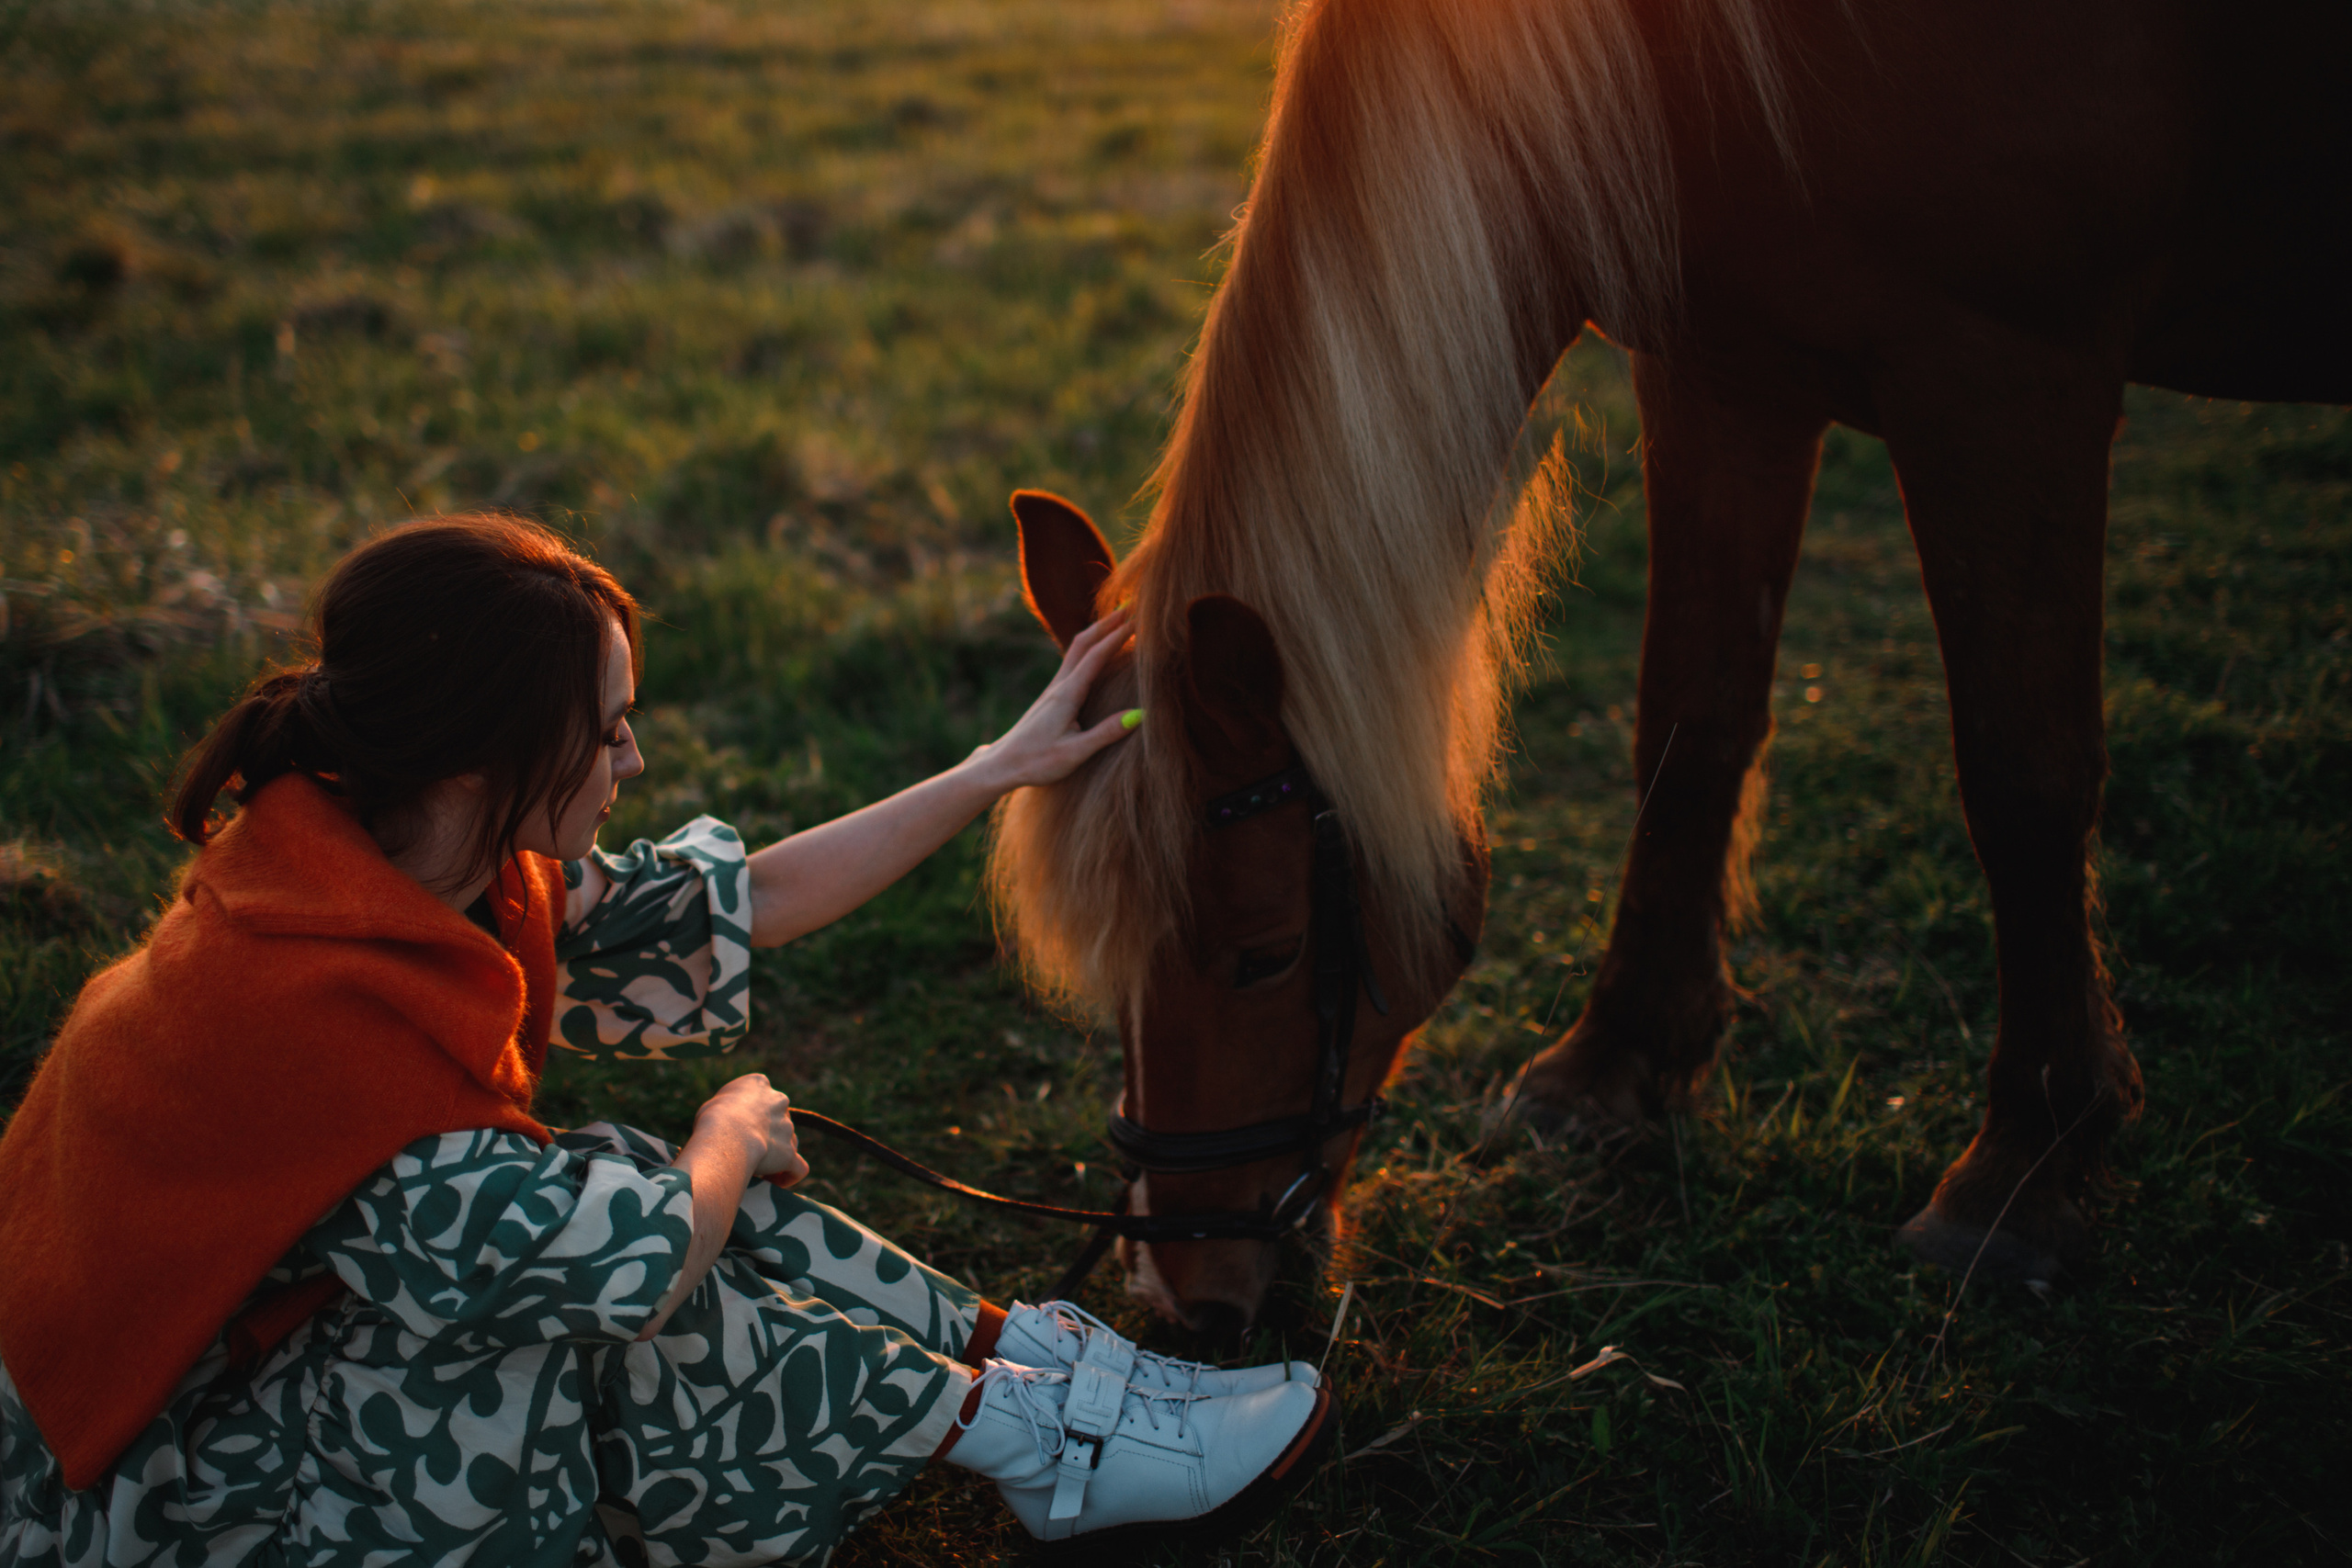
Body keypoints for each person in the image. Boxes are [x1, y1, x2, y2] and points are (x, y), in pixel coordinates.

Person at [0, 513, 1335, 1567]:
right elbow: (623, 1270)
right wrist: (727, 1137)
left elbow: (733, 905)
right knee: (594, 1256)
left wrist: (997, 767)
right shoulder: (296, 1014)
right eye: (610, 732)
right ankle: (1031, 1441)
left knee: (630, 1206)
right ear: (489, 753)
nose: (631, 763)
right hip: (149, 1493)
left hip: (255, 1366)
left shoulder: (409, 857)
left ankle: (1032, 1368)